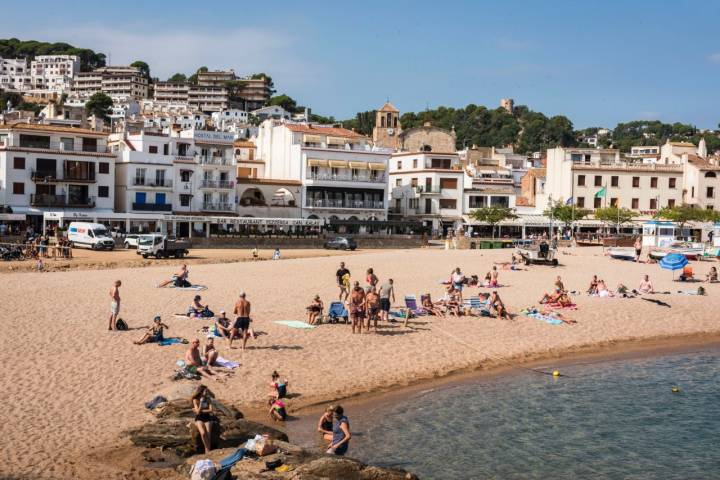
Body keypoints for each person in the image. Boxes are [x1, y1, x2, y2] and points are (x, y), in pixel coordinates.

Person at [192, 385, 217, 453]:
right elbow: (197, 413)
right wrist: (201, 403)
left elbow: (211, 410)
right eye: (205, 391)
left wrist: (201, 411)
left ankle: (207, 450)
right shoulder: (195, 400)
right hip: (199, 418)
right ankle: (208, 449)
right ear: (201, 391)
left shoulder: (208, 399)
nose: (206, 392)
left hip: (207, 417)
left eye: (207, 391)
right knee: (203, 433)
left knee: (208, 434)